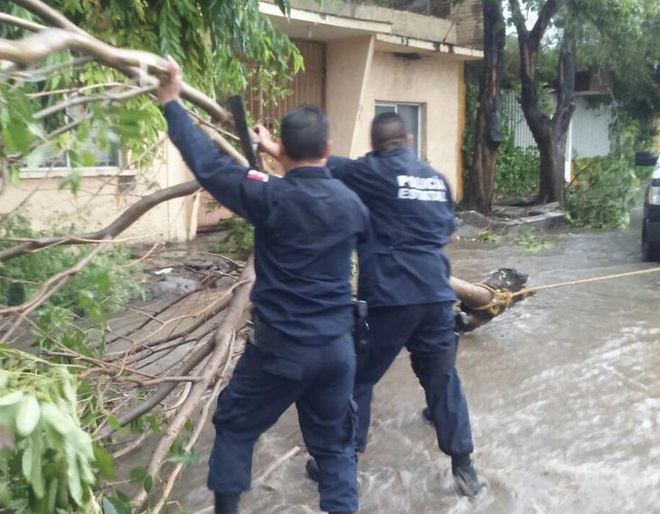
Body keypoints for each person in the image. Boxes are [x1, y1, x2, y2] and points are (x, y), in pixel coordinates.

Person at [156, 57, 369, 514]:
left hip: (280, 352)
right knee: (334, 450)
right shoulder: (352, 205)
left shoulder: (269, 196)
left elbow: (210, 167)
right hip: (336, 350)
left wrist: (172, 103)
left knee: (235, 425)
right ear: (328, 148)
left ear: (284, 151)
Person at [259, 111, 483, 498]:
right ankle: (464, 469)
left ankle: (343, 456)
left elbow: (319, 162)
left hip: (391, 298)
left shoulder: (372, 172)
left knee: (357, 377)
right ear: (408, 140)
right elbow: (446, 236)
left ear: (376, 146)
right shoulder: (436, 179)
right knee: (443, 380)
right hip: (437, 297)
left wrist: (274, 148)